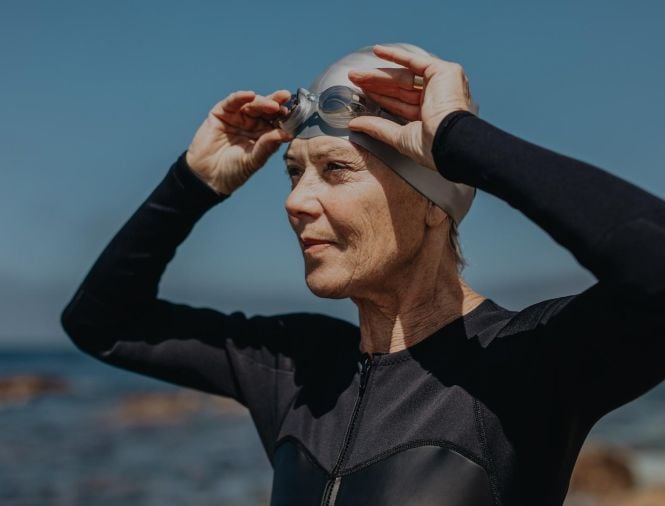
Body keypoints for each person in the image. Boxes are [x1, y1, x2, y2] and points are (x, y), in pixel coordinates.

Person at [60, 43, 665, 506]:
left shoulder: (530, 364)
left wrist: (459, 138)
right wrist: (194, 182)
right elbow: (102, 323)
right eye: (294, 172)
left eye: (337, 169)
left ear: (433, 203)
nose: (297, 202)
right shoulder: (296, 369)